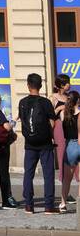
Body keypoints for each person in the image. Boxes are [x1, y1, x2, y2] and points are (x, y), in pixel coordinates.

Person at [17, 73, 58, 214]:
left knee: (28, 174)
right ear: (40, 85)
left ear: (28, 85)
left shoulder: (22, 102)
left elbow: (22, 121)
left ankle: (28, 205)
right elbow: (52, 123)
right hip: (45, 144)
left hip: (29, 144)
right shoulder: (46, 102)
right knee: (48, 175)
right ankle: (49, 206)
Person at [52, 74, 78, 205]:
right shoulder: (54, 97)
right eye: (67, 83)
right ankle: (64, 193)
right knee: (64, 157)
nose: (69, 84)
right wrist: (59, 108)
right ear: (61, 85)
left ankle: (71, 191)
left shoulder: (69, 97)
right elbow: (50, 114)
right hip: (59, 128)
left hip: (71, 129)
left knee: (74, 159)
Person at [58, 90, 80, 212]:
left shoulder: (63, 114)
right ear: (78, 101)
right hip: (79, 143)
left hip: (70, 146)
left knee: (67, 179)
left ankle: (63, 203)